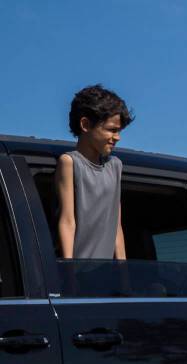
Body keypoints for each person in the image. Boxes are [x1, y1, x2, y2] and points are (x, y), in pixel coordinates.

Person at [56, 85, 134, 260]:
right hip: (77, 270)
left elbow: (116, 226)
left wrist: (124, 276)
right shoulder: (70, 162)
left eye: (119, 131)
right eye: (112, 130)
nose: (117, 137)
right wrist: (69, 272)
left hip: (104, 272)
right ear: (85, 125)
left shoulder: (115, 166)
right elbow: (68, 221)